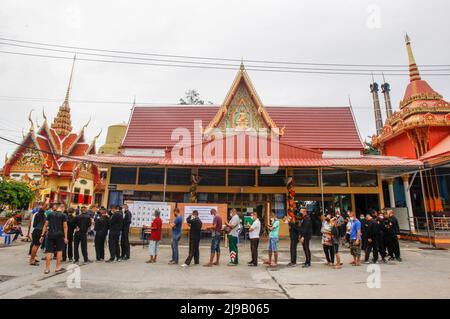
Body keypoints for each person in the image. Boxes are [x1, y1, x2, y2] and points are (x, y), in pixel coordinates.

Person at [40, 203, 68, 274]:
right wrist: (66, 237)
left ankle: (47, 269)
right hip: (59, 235)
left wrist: (42, 235)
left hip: (50, 234)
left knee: (49, 251)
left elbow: (45, 225)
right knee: (59, 251)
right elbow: (65, 227)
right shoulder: (63, 215)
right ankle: (57, 268)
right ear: (62, 208)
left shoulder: (50, 214)